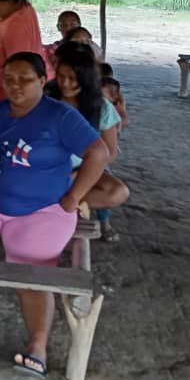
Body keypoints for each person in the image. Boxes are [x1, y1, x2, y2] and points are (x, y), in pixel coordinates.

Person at [0, 52, 109, 377]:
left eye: (25, 79)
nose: (15, 86)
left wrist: (73, 197)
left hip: (42, 211)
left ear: (42, 80)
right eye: (9, 79)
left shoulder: (59, 116)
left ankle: (38, 346)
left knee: (30, 276)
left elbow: (98, 152)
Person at [48, 43, 130, 241]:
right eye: (61, 77)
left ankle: (61, 203)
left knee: (118, 192)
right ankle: (65, 203)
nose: (65, 84)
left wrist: (81, 173)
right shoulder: (47, 98)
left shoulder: (100, 107)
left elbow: (110, 152)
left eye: (72, 79)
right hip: (49, 168)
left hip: (83, 171)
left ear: (85, 79)